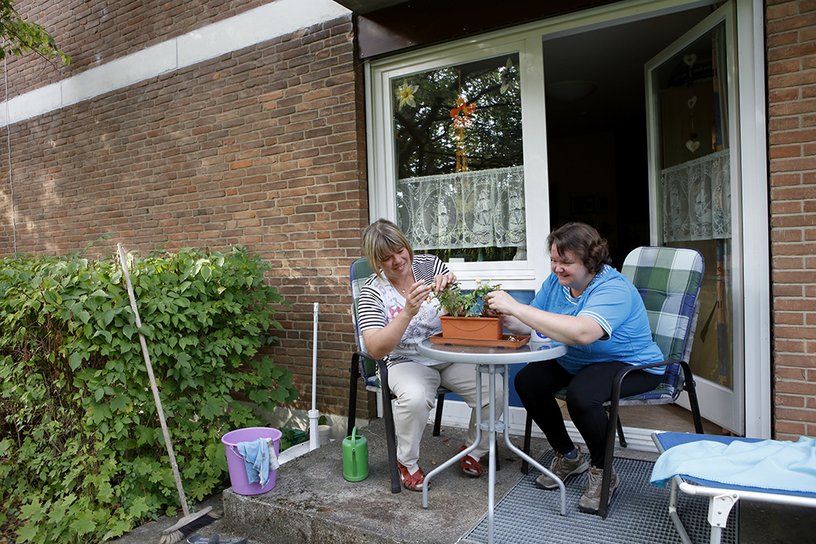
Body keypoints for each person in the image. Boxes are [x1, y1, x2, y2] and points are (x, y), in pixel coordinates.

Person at [484, 222, 665, 513]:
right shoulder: (558, 283)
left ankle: (603, 470)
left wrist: (518, 307)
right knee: (528, 381)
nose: (557, 268)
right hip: (578, 360)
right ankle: (569, 456)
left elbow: (584, 332)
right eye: (554, 260)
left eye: (565, 262)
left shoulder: (613, 288)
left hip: (632, 365)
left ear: (591, 260)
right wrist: (504, 316)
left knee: (583, 395)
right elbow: (531, 323)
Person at [357, 218, 504, 491]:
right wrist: (407, 312)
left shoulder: (429, 265)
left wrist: (451, 293)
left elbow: (457, 314)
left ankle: (475, 449)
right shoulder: (372, 292)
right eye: (387, 258)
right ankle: (407, 462)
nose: (398, 261)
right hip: (404, 359)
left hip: (446, 353)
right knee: (414, 397)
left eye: (400, 251)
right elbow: (376, 348)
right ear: (376, 262)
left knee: (493, 386)